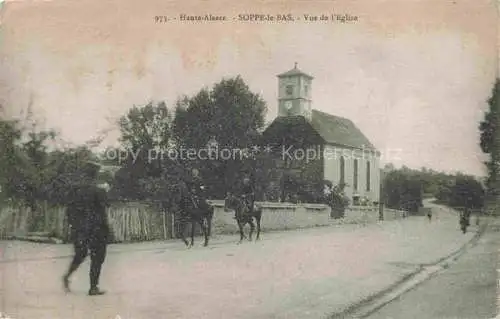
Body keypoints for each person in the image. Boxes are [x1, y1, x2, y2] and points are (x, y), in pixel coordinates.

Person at [62, 161, 110, 296]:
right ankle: (93, 287)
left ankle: (67, 275)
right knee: (98, 257)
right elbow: (105, 206)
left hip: (80, 229)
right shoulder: (98, 190)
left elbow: (69, 210)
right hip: (96, 229)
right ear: (96, 174)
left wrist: (73, 225)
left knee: (80, 254)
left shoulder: (75, 190)